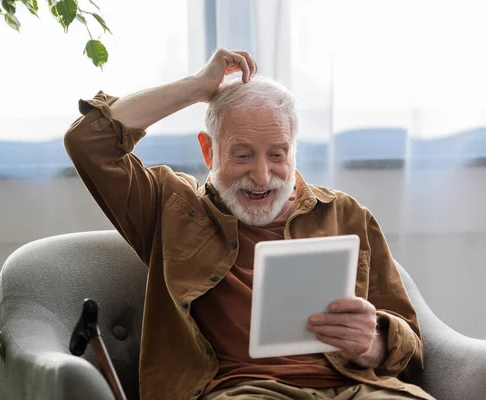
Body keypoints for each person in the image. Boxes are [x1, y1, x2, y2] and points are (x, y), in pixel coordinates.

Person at [64, 49, 435, 400]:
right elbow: (88, 142)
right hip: (243, 391)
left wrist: (374, 344)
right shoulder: (170, 207)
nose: (262, 176)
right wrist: (196, 87)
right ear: (209, 150)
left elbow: (412, 342)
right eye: (242, 155)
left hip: (355, 388)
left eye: (277, 155)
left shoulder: (345, 214)